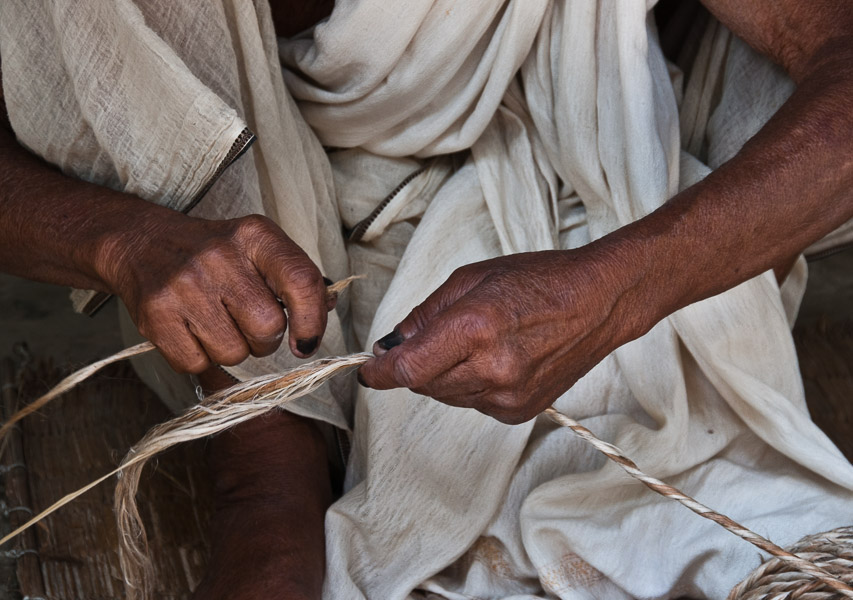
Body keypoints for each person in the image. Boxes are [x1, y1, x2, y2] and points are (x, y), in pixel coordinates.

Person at [1, 1, 852, 599]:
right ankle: (266, 469)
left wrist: (615, 289)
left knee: (625, 432)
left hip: (603, 173)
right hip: (247, 199)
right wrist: (117, 239)